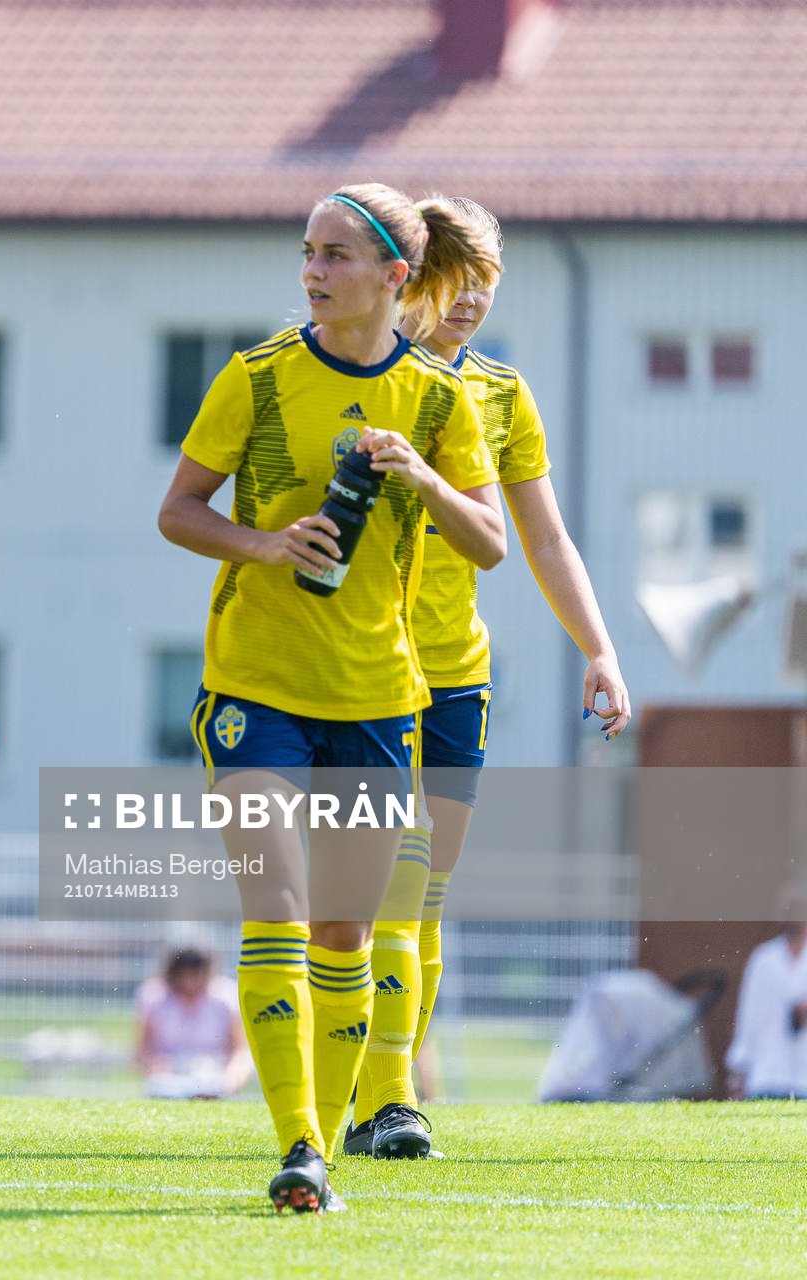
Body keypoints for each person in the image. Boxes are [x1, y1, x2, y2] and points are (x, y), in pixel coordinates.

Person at [156, 182, 504, 1212]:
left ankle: (333, 1127)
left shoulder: (438, 400)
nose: (314, 270)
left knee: (346, 934)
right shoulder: (256, 377)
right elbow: (178, 509)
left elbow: (488, 542)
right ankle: (301, 1143)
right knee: (277, 910)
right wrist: (265, 541)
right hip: (254, 683)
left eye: (338, 255)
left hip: (377, 695)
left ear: (397, 275)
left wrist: (421, 478)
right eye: (308, 251)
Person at [344, 195, 633, 1160]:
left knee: (424, 893)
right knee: (379, 886)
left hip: (455, 675)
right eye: (452, 282)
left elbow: (544, 536)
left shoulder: (502, 393)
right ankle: (378, 1091)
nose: (470, 302)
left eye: (488, 284)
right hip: (356, 669)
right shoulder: (362, 373)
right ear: (410, 278)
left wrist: (599, 647)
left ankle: (389, 1092)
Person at [725, 881, 807, 1100]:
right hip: (766, 1077)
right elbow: (747, 1019)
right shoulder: (762, 960)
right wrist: (738, 1072)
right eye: (785, 910)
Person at [135, 948, 251, 1100]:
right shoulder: (154, 995)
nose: (189, 984)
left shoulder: (226, 996)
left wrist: (230, 1081)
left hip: (214, 1074)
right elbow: (140, 1054)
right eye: (183, 977)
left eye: (196, 976)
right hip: (169, 1078)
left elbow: (240, 1053)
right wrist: (155, 1067)